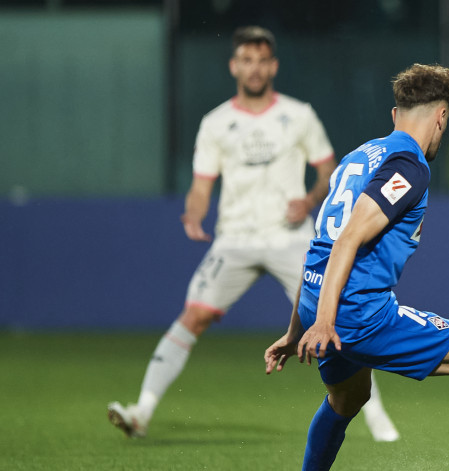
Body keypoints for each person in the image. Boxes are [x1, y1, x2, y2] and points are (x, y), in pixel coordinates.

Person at [107, 26, 399, 442]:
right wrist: (193, 213)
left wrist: (311, 198)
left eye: (262, 60)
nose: (255, 68)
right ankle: (142, 412)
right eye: (246, 59)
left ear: (273, 65)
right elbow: (201, 184)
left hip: (291, 236)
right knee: (194, 315)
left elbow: (328, 171)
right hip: (237, 238)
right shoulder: (216, 123)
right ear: (234, 66)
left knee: (333, 318)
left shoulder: (299, 115)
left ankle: (376, 418)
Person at [263, 63, 449, 471]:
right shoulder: (408, 166)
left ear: (395, 115)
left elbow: (321, 248)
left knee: (348, 398)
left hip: (317, 298)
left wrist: (296, 330)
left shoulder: (360, 155)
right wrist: (323, 323)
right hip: (356, 314)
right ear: (442, 116)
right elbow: (348, 238)